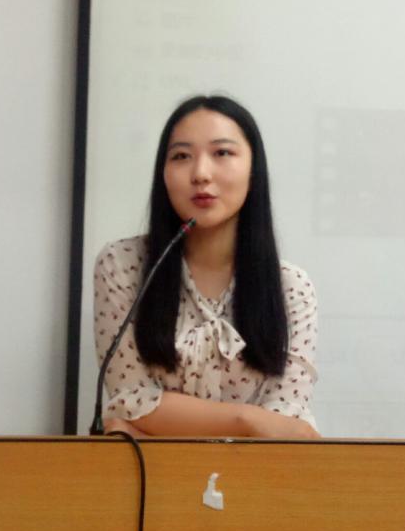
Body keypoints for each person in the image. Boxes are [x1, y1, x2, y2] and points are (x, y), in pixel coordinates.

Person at [93, 94, 319, 439]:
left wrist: (154, 427)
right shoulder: (123, 266)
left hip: (260, 474)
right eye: (181, 156)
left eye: (222, 153)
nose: (200, 173)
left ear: (254, 169)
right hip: (151, 473)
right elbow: (130, 399)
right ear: (163, 173)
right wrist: (248, 420)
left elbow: (289, 425)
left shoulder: (292, 287)